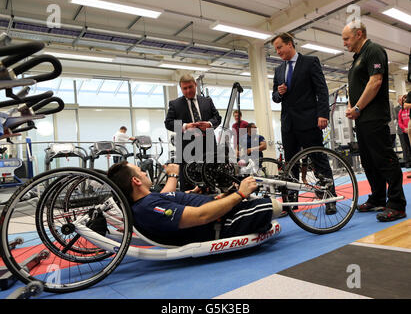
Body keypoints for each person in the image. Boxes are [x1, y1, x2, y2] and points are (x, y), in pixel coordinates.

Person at [107, 161, 281, 246]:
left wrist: (224, 195)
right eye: (140, 172)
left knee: (267, 202)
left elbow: (173, 197)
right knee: (272, 206)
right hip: (222, 223)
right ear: (136, 181)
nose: (145, 173)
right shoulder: (147, 208)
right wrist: (240, 194)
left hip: (219, 211)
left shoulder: (149, 199)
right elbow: (201, 216)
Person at [342, 22, 406, 222]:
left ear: (359, 34)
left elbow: (375, 82)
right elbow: (355, 86)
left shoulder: (374, 51)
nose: (344, 43)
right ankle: (378, 198)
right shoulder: (356, 59)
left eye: (347, 38)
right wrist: (352, 107)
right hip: (361, 119)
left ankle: (396, 205)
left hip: (374, 116)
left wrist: (358, 108)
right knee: (369, 162)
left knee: (385, 160)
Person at [271, 32, 336, 216]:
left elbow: (321, 89)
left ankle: (330, 199)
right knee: (290, 166)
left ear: (290, 44)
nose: (278, 52)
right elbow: (275, 98)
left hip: (309, 121)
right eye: (276, 49)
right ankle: (290, 203)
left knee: (319, 161)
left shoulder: (310, 62)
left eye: (279, 47)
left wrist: (322, 114)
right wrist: (279, 92)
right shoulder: (278, 70)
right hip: (288, 124)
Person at [164, 74, 221, 191]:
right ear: (181, 89)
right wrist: (185, 126)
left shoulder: (207, 101)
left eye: (190, 87)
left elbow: (217, 118)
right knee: (187, 177)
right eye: (185, 88)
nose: (188, 90)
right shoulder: (175, 104)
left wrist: (209, 124)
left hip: (208, 143)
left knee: (210, 175)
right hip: (186, 146)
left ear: (195, 85)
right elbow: (168, 123)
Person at [397, 94, 411, 167]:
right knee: (407, 147)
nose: (404, 101)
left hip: (410, 130)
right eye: (403, 100)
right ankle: (409, 162)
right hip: (405, 131)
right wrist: (404, 128)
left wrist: (409, 128)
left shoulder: (410, 109)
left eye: (406, 99)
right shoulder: (400, 111)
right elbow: (400, 122)